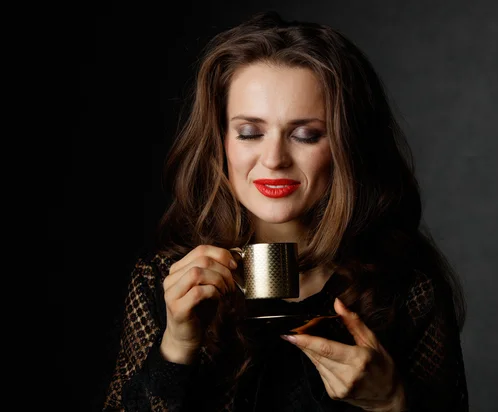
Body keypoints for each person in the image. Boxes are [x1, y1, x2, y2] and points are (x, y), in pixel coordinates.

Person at [103, 10, 469, 412]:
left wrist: (392, 403)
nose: (274, 159)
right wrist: (177, 345)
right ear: (221, 140)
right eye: (250, 133)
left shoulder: (405, 289)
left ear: (347, 146)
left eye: (305, 135)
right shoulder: (166, 280)